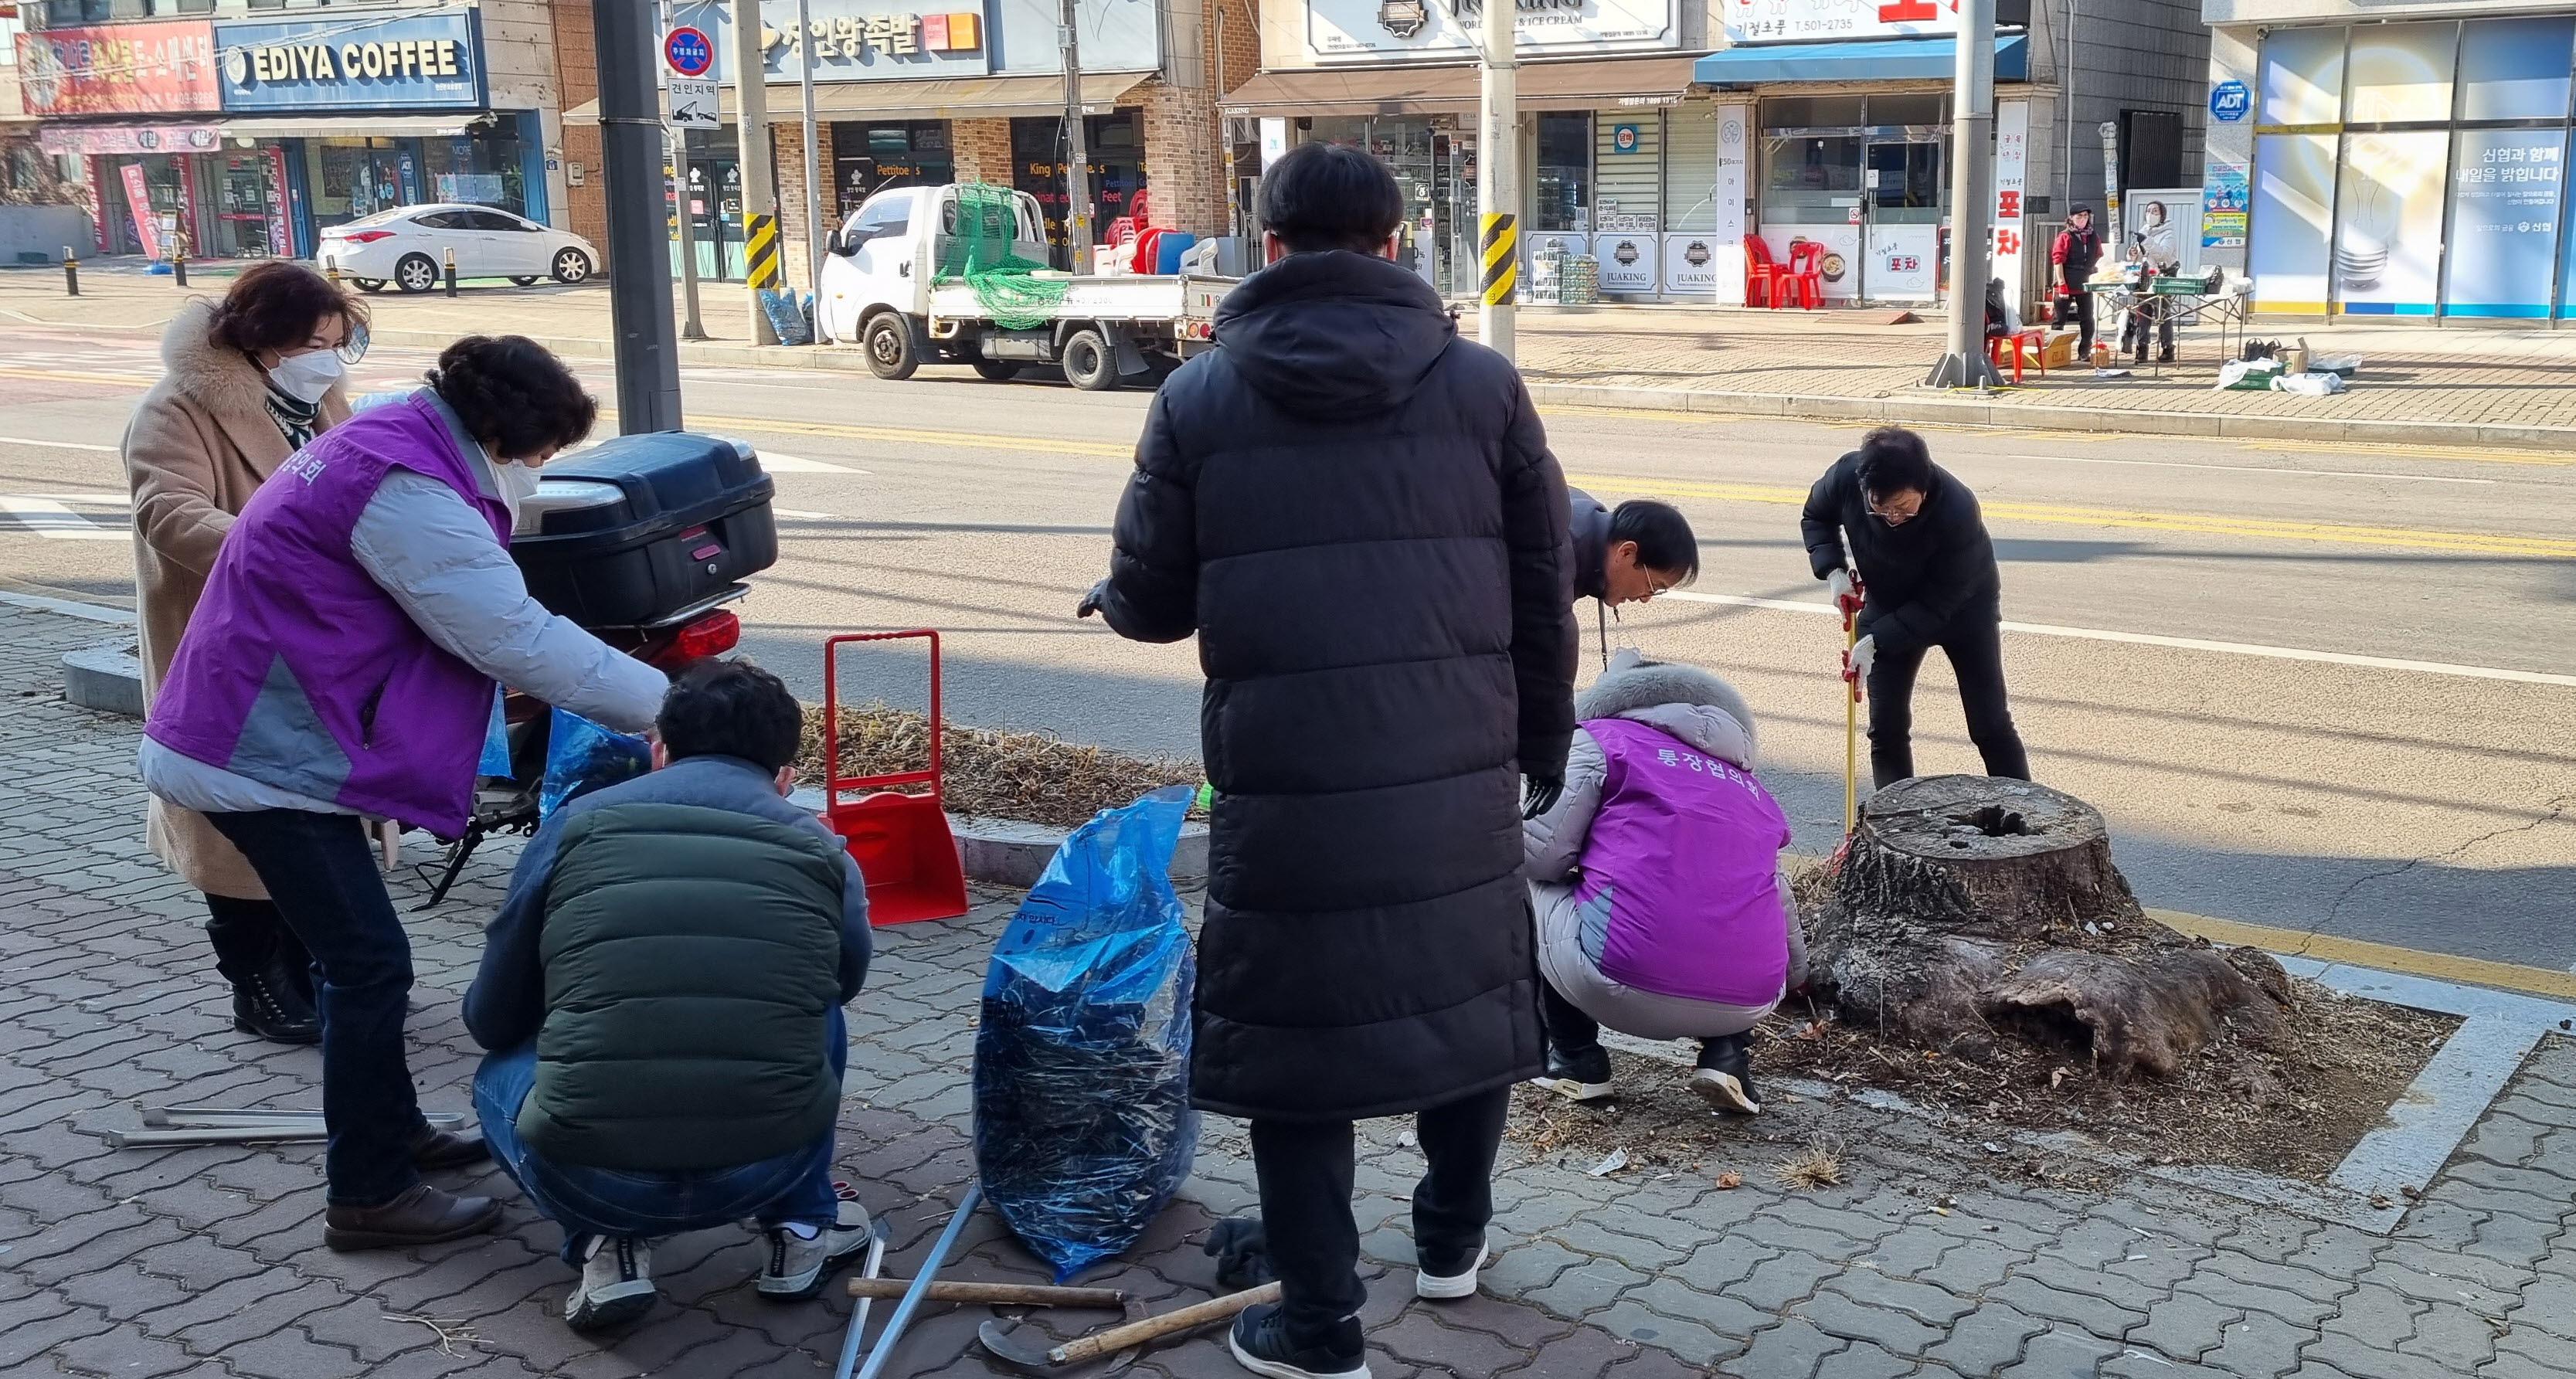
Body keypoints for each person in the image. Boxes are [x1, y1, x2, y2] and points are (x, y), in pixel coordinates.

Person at [1081, 141, 1575, 1379]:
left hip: (1287, 784)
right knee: (1462, 1002)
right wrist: (1542, 745)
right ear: (1395, 242)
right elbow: (1541, 590)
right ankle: (1451, 1247)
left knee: (1298, 1058)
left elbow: (1152, 604)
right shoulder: (1483, 386)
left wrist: (1109, 593)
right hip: (1455, 766)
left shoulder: (1198, 396)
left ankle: (1318, 1333)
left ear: (1270, 242)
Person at [139, 335, 668, 1250]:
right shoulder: (407, 491)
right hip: (261, 754)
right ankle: (369, 1192)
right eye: (535, 454)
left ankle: (394, 1135)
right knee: (369, 966)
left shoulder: (391, 434)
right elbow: (514, 638)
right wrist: (673, 710)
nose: (534, 473)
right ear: (502, 432)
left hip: (270, 735)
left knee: (364, 963)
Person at [464, 659, 875, 1333]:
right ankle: (801, 1226)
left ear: (658, 749)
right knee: (813, 999)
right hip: (767, 1166)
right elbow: (845, 983)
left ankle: (607, 1242)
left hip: (588, 1175)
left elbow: (490, 1016)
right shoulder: (825, 852)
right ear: (784, 776)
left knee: (503, 1066)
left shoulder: (576, 826)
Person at [123, 262, 369, 1044]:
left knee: (313, 811)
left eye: (336, 343)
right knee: (237, 824)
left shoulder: (318, 400)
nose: (325, 358)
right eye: (309, 342)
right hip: (227, 650)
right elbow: (168, 511)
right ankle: (256, 986)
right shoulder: (178, 408)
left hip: (314, 648)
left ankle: (314, 967)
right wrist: (283, 551)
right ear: (258, 339)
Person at [1522, 650, 1804, 1114]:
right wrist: (1796, 978)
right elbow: (1778, 896)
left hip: (1621, 981)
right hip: (1751, 998)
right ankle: (1728, 1058)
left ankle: (1575, 1060)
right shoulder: (1752, 789)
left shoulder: (1601, 741)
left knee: (1532, 887)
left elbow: (1540, 856)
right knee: (1732, 892)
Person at [1799, 426, 2030, 790]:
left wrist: (1875, 641)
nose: (1892, 517)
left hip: (1963, 610)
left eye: (1904, 508)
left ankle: (2024, 810)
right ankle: (1895, 821)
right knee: (1886, 728)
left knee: (1989, 724)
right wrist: (1834, 572)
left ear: (1924, 489)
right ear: (1864, 489)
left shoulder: (1957, 509)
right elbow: (1816, 516)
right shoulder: (1846, 475)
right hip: (1889, 601)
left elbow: (1939, 604)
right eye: (1880, 507)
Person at [2051, 205, 2103, 361]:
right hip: (2067, 279)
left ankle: (2084, 351)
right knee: (2059, 319)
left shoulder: (2093, 235)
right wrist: (2061, 284)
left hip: (2086, 281)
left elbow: (2099, 255)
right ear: (2071, 218)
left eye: (2085, 216)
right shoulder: (2065, 236)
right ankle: (2056, 352)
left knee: (2087, 319)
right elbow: (2058, 261)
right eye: (2079, 216)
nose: (2083, 219)